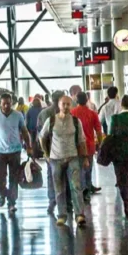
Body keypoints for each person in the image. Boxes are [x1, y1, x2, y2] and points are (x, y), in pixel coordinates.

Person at [39, 95, 88, 226]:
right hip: (55, 159)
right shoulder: (51, 121)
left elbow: (82, 140)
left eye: (68, 104)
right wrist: (46, 154)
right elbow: (42, 137)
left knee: (76, 187)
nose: (66, 107)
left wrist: (85, 158)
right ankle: (62, 215)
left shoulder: (76, 122)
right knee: (59, 189)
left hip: (73, 157)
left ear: (71, 105)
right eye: (63, 104)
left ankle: (79, 215)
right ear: (59, 105)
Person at [0, 95, 30, 215]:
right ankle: (3, 194)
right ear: (0, 104)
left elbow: (24, 131)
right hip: (0, 151)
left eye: (8, 103)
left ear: (12, 103)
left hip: (15, 151)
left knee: (13, 178)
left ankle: (12, 202)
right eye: (4, 103)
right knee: (0, 177)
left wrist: (29, 146)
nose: (6, 106)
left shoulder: (18, 115)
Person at [105, 95, 128, 219]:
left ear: (121, 105)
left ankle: (125, 199)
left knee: (121, 178)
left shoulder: (115, 118)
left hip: (118, 152)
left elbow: (110, 135)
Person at [34, 90, 66, 214]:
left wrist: (43, 149)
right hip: (64, 149)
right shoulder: (66, 112)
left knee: (51, 176)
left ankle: (52, 201)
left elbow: (39, 132)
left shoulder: (43, 113)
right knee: (66, 175)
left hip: (49, 150)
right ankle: (65, 202)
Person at [70, 91, 104, 198]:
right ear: (87, 100)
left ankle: (80, 190)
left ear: (76, 101)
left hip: (75, 146)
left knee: (78, 170)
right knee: (88, 170)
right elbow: (98, 131)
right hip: (89, 146)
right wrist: (100, 144)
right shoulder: (92, 114)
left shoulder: (72, 113)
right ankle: (87, 191)